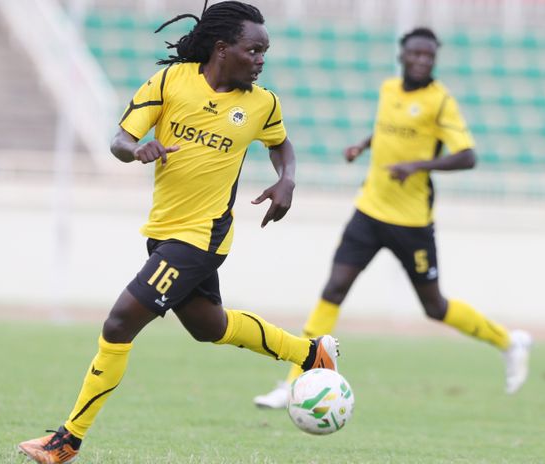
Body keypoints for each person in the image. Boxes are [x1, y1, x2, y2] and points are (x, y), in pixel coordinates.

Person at [18, 2, 339, 463]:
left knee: (119, 323)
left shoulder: (262, 103)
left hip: (202, 238)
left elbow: (281, 146)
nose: (260, 60)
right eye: (253, 50)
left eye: (264, 52)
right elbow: (120, 140)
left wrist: (286, 180)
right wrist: (137, 150)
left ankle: (67, 441)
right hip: (164, 231)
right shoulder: (171, 82)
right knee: (210, 327)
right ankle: (311, 355)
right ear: (222, 48)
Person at [253, 27, 532, 409]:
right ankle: (294, 382)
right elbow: (390, 129)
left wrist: (417, 166)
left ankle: (509, 342)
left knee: (434, 307)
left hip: (411, 223)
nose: (421, 60)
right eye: (415, 53)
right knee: (334, 289)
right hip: (369, 210)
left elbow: (467, 156)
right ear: (402, 55)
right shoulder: (388, 89)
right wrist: (363, 145)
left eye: (429, 55)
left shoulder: (440, 101)